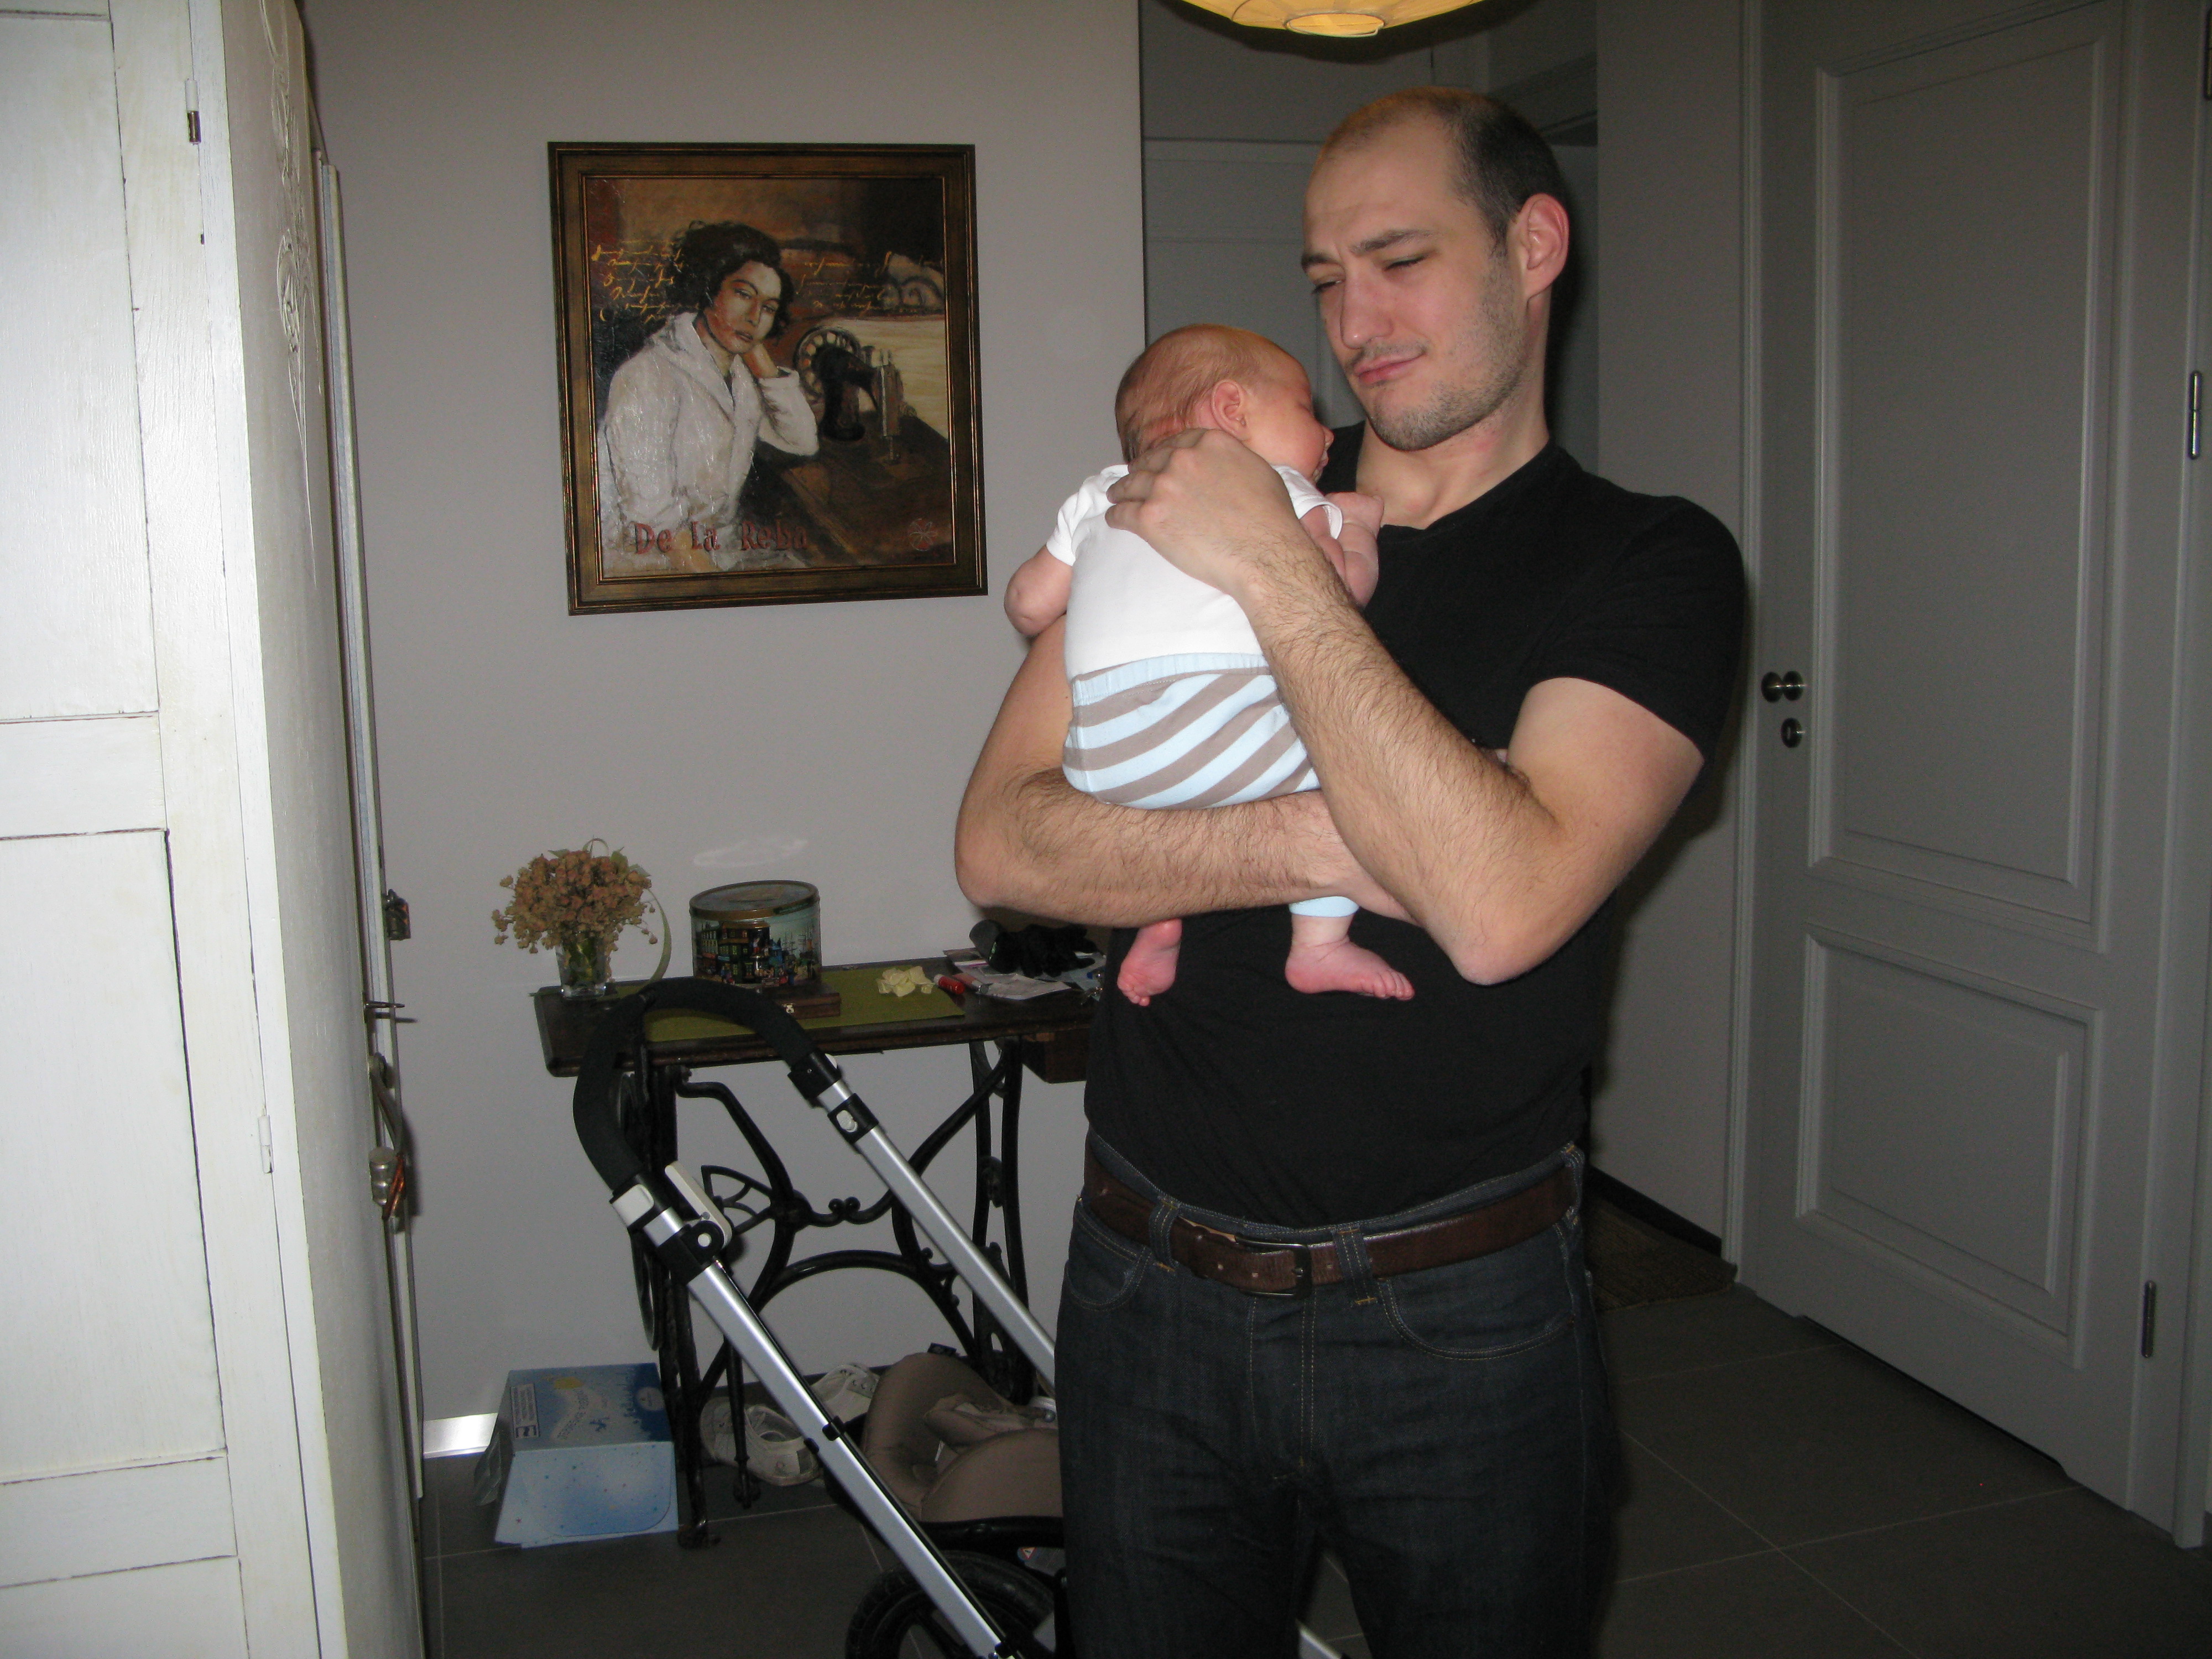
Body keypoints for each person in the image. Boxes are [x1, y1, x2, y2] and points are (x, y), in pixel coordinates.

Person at [955, 86, 1745, 1658]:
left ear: (1534, 246)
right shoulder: (1177, 498)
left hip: (1459, 1314)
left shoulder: (1649, 562)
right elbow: (1003, 841)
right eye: (1324, 277)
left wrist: (1273, 564)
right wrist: (1325, 842)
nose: (1352, 324)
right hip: (1147, 1284)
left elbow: (1501, 910)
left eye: (1398, 260)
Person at [1001, 324, 1411, 1005]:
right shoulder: (1274, 484)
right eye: (1306, 410)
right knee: (1351, 773)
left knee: (1174, 807)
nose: (1328, 434)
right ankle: (1318, 945)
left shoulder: (1101, 491)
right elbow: (1339, 594)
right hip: (1213, 727)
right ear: (1231, 410)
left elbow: (1027, 604)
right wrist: (1360, 529)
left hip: (1101, 758)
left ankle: (1157, 920)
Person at [596, 221, 819, 575]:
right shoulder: (649, 373)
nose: (755, 318)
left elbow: (802, 441)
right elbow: (655, 521)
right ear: (708, 287)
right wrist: (715, 588)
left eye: (769, 308)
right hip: (654, 564)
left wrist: (762, 365)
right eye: (743, 295)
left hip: (721, 550)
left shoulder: (741, 376)